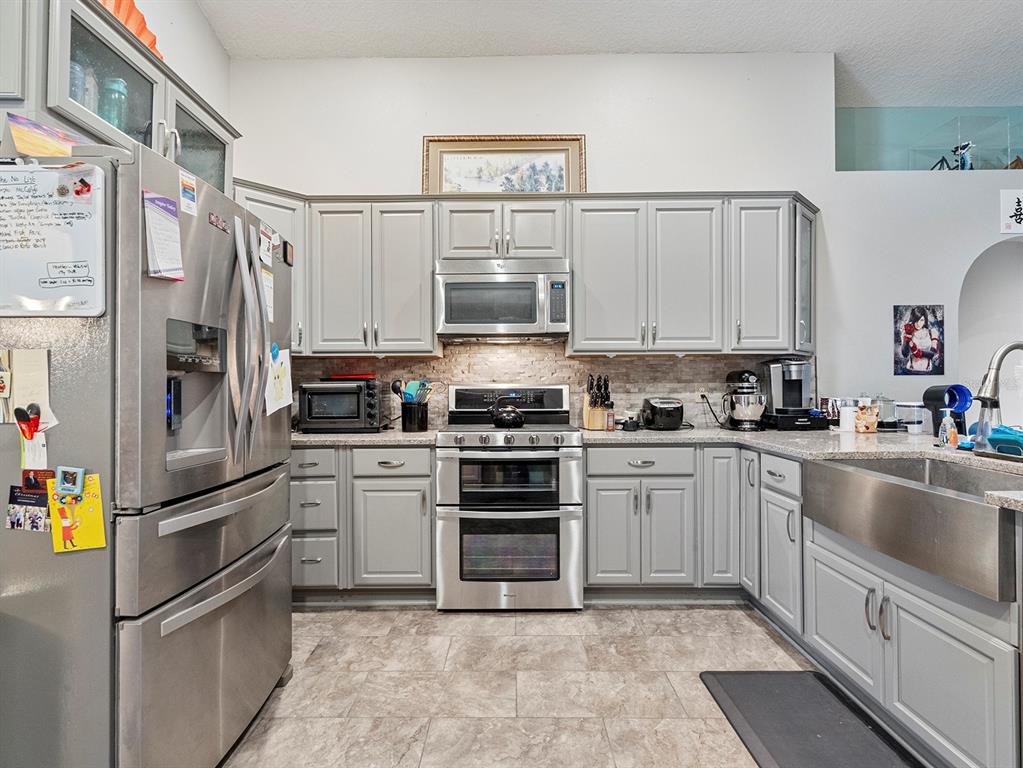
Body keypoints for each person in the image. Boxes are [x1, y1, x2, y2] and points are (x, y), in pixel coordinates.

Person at [901, 306, 941, 373]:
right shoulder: (907, 331)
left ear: (925, 320)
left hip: (928, 371)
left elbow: (932, 354)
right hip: (910, 370)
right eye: (916, 320)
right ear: (912, 319)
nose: (918, 323)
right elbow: (905, 354)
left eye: (921, 320)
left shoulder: (932, 332)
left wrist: (917, 351)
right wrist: (907, 337)